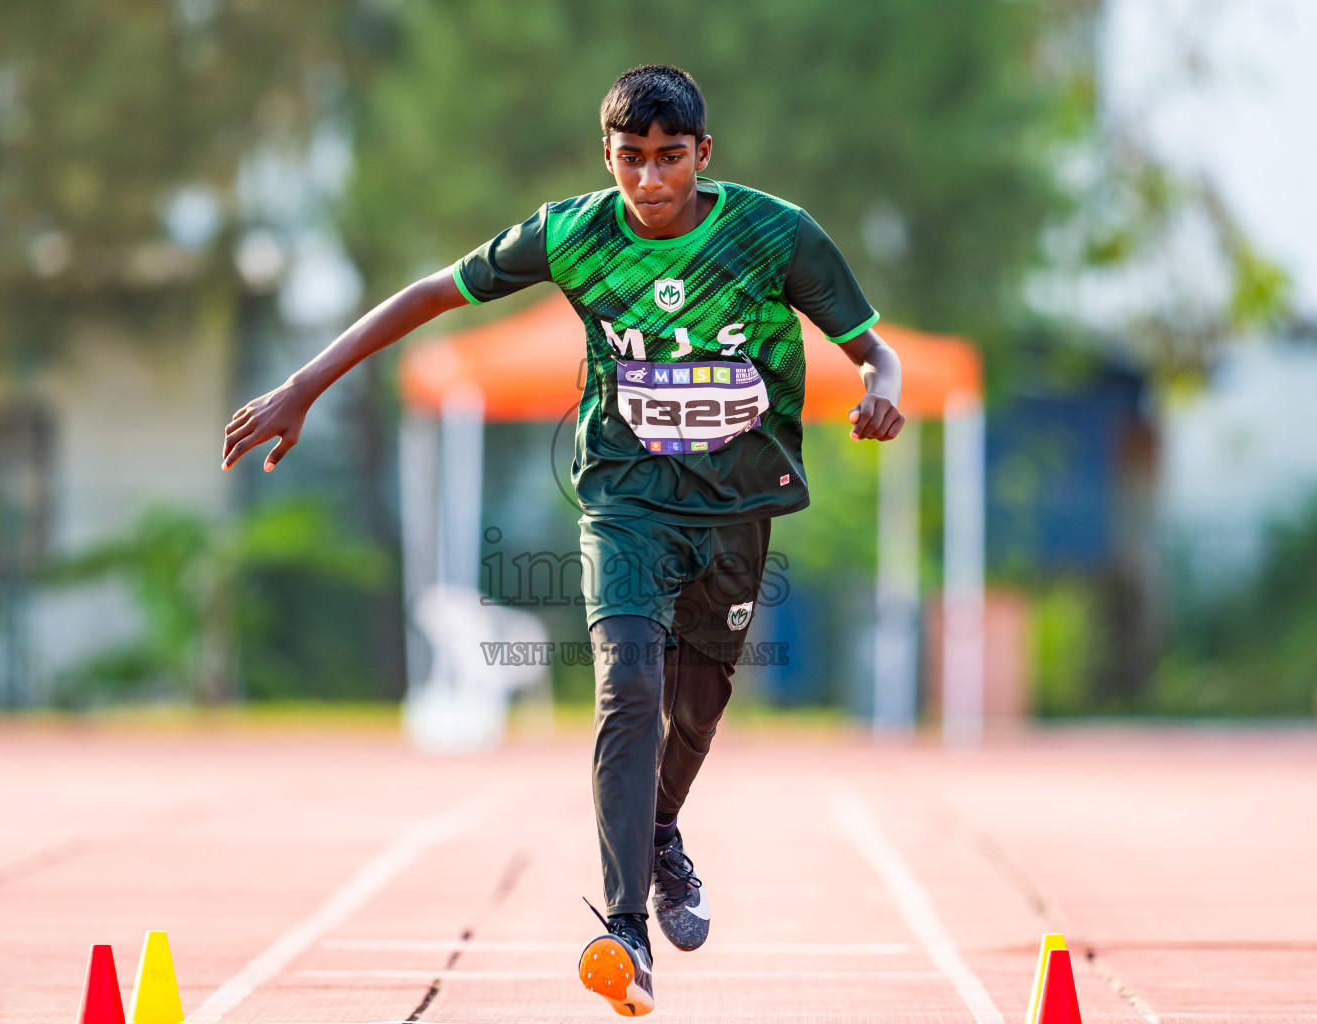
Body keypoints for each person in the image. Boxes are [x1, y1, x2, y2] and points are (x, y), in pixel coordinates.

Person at [222, 63, 905, 1017]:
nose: (651, 182)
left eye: (671, 159)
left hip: (739, 502)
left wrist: (882, 390)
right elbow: (432, 292)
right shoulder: (575, 232)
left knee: (699, 706)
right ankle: (624, 931)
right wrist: (305, 385)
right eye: (632, 160)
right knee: (629, 683)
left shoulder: (773, 233)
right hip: (623, 498)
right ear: (609, 156)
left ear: (704, 155)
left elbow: (875, 344)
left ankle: (660, 831)